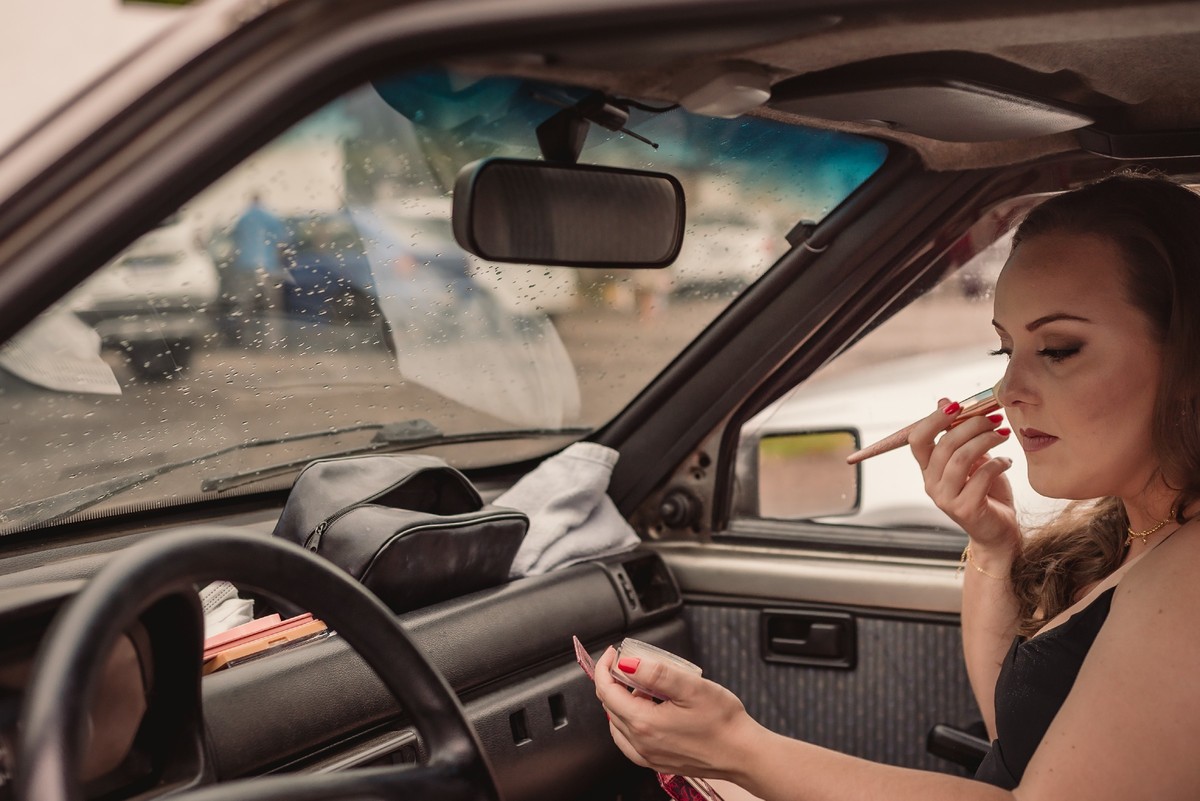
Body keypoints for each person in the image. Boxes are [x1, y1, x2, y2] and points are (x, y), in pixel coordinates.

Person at [593, 172, 1200, 800]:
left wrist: (737, 749)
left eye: (1060, 348)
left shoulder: (1191, 569)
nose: (1007, 391)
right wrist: (992, 546)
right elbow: (1024, 746)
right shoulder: (1146, 531)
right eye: (1004, 351)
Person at [224, 193, 289, 346]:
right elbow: (282, 242)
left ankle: (245, 341)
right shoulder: (271, 217)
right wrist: (279, 263)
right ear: (262, 200)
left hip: (245, 265)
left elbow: (234, 242)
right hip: (268, 266)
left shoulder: (243, 218)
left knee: (245, 305)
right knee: (271, 306)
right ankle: (273, 342)